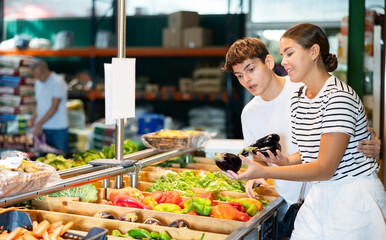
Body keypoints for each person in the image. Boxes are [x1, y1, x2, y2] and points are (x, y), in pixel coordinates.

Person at [224, 24, 386, 239]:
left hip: (351, 196)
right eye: (283, 54)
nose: (285, 62)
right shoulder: (302, 96)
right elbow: (313, 150)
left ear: (313, 52)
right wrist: (284, 162)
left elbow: (325, 168)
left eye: (290, 53)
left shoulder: (337, 97)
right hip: (317, 195)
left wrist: (266, 171)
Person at [27, 60, 69, 153]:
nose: (37, 78)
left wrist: (39, 124)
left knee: (62, 158)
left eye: (38, 75)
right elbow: (41, 104)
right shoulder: (38, 83)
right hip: (44, 128)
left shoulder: (58, 82)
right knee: (46, 160)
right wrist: (33, 118)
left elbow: (54, 107)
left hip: (58, 129)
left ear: (46, 70)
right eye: (35, 75)